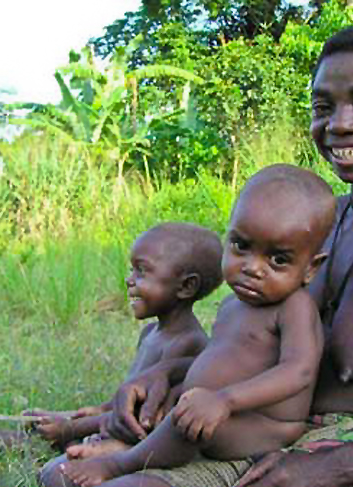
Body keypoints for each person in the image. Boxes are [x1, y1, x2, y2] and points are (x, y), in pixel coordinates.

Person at [50, 23, 353, 487]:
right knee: (65, 476)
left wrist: (329, 467)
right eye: (323, 107)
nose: (340, 124)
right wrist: (167, 373)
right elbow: (266, 351)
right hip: (271, 439)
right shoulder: (317, 224)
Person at [44, 164, 336, 487]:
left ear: (311, 268)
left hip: (262, 428)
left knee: (187, 416)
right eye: (241, 246)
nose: (253, 268)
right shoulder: (232, 305)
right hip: (214, 415)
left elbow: (299, 371)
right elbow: (217, 360)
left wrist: (224, 400)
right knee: (172, 409)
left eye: (278, 260)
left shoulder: (295, 307)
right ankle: (125, 443)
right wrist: (172, 375)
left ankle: (121, 461)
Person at [0, 222, 223, 453]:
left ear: (186, 287)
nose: (129, 280)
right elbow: (128, 398)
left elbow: (145, 417)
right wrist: (95, 410)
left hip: (134, 446)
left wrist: (70, 427)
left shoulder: (189, 344)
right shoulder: (151, 333)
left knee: (38, 445)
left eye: (141, 272)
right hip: (112, 428)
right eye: (131, 270)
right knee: (32, 439)